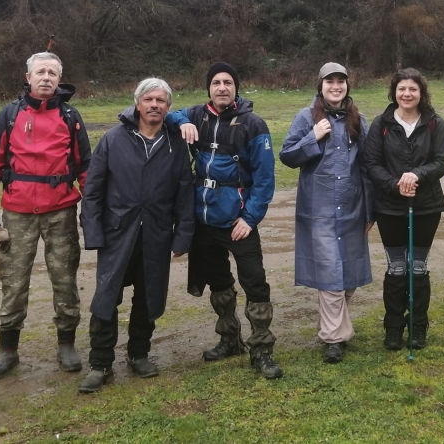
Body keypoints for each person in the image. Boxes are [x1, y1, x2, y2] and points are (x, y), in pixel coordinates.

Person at [0, 52, 92, 379]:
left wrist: (94, 209)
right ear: (27, 77)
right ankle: (7, 351)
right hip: (17, 213)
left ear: (60, 79)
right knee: (13, 283)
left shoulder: (71, 117)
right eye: (40, 72)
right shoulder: (10, 115)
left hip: (61, 213)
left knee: (65, 280)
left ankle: (67, 344)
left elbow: (86, 168)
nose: (46, 78)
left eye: (52, 73)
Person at [77, 78, 194, 393]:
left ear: (168, 108)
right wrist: (94, 232)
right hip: (118, 232)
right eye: (149, 99)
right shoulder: (113, 139)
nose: (155, 105)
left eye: (161, 101)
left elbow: (185, 193)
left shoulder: (175, 144)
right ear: (137, 103)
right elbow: (93, 190)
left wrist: (182, 236)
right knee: (106, 298)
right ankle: (100, 363)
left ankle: (139, 353)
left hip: (156, 234)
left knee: (148, 296)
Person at [169, 62, 283, 379]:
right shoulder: (196, 116)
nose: (222, 87)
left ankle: (261, 350)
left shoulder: (253, 125)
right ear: (209, 87)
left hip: (238, 222)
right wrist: (182, 123)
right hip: (204, 222)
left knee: (255, 284)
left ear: (236, 88)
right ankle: (229, 339)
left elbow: (264, 180)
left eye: (228, 82)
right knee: (219, 284)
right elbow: (165, 111)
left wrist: (250, 218)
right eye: (216, 82)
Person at [280, 63, 373, 364]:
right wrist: (313, 137)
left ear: (348, 85)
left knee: (350, 274)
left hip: (352, 208)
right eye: (330, 81)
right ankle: (334, 338)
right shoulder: (305, 118)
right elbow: (288, 156)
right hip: (318, 210)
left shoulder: (359, 120)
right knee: (330, 271)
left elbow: (370, 166)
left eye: (341, 81)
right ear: (320, 85)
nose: (336, 86)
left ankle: (333, 325)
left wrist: (370, 210)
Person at [363, 68, 444, 351]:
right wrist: (394, 184)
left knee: (418, 268)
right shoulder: (382, 124)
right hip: (390, 207)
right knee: (397, 268)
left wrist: (417, 175)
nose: (407, 94)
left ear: (421, 93)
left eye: (413, 89)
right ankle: (393, 327)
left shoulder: (435, 123)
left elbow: (442, 161)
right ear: (394, 92)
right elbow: (371, 163)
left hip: (426, 207)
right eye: (402, 89)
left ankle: (418, 326)